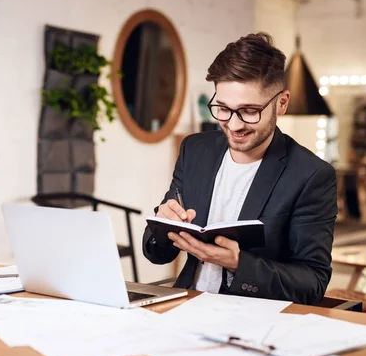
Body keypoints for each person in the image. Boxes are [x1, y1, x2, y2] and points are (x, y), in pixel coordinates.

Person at [142, 32, 337, 305]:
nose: (233, 125)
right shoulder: (195, 150)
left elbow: (313, 283)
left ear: (281, 102)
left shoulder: (311, 175)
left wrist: (238, 263)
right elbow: (157, 254)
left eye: (249, 111)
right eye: (222, 108)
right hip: (184, 305)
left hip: (254, 320)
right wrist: (162, 226)